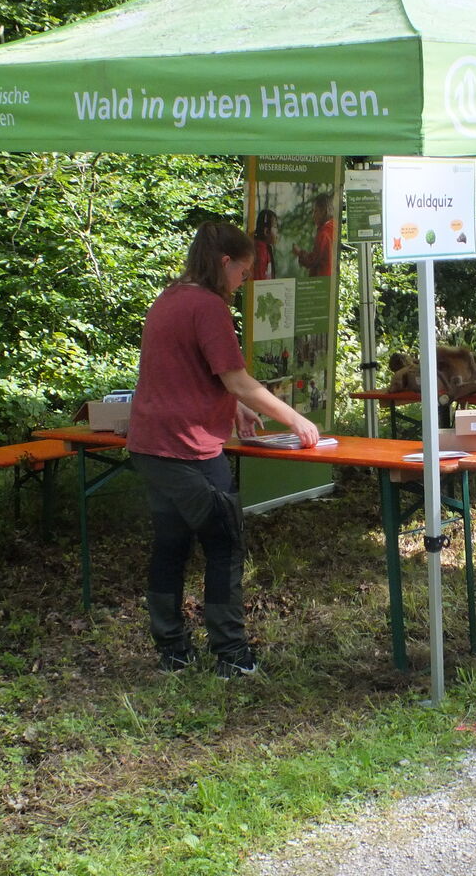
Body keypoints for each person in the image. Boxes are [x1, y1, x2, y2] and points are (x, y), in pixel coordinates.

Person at [127, 220, 320, 675]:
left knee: (170, 545)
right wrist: (293, 417)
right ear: (224, 262)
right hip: (188, 450)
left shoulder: (168, 299)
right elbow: (235, 377)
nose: (244, 282)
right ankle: (231, 656)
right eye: (243, 272)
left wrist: (232, 408)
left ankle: (172, 650)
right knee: (224, 545)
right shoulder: (208, 306)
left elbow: (186, 373)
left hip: (150, 445)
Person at [292, 191, 336, 277]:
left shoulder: (323, 234)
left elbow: (312, 260)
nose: (313, 216)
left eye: (315, 211)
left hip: (321, 279)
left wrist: (299, 253)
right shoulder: (333, 227)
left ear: (323, 211)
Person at [251, 208, 278, 281]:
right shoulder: (260, 251)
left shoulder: (265, 249)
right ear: (266, 231)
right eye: (275, 227)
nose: (277, 232)